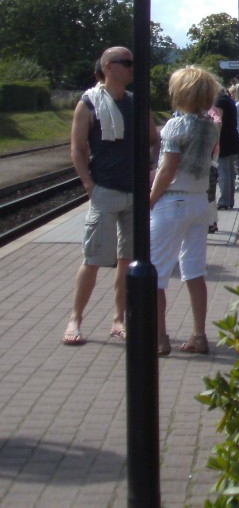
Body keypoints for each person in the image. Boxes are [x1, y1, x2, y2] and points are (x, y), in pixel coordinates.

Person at [62, 46, 160, 346]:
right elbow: (77, 149)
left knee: (126, 260)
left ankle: (119, 320)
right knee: (92, 258)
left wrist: (151, 170)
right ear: (108, 66)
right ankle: (75, 319)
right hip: (104, 189)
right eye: (126, 63)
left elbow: (156, 140)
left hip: (134, 193)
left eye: (134, 62)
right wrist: (89, 185)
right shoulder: (88, 104)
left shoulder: (137, 103)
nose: (132, 67)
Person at [148, 66, 221, 357]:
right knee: (194, 269)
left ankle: (159, 337)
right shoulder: (210, 125)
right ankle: (198, 335)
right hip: (199, 202)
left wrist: (151, 199)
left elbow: (167, 170)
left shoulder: (174, 126)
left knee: (155, 272)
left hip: (173, 201)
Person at [213, 85, 239, 211]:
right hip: (233, 139)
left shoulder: (219, 103)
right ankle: (230, 200)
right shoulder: (230, 101)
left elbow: (218, 121)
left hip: (223, 140)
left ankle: (224, 201)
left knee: (223, 172)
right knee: (230, 171)